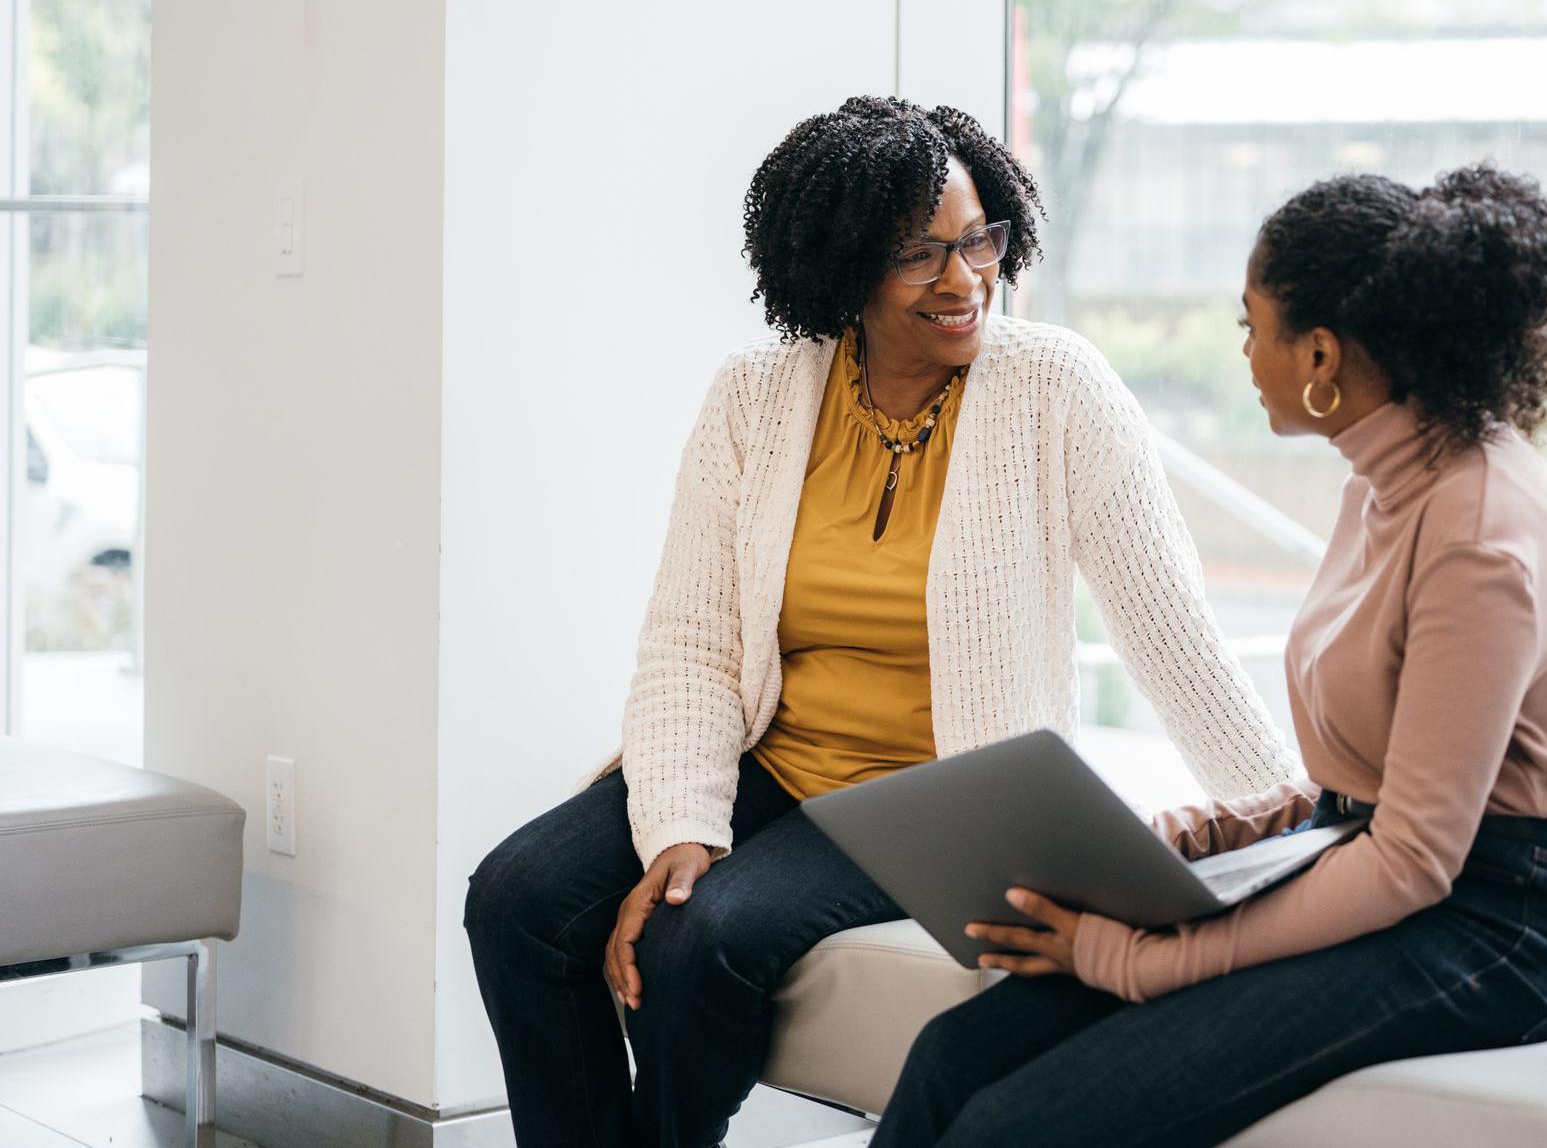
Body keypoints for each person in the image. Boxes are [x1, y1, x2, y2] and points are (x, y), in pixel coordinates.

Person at [461, 96, 1293, 1148]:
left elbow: (1171, 635)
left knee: (699, 937)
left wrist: (1297, 821)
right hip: (776, 761)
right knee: (516, 897)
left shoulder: (1053, 387)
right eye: (921, 255)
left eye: (979, 239)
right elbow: (692, 643)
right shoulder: (754, 400)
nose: (965, 279)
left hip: (939, 793)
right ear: (843, 264)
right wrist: (681, 827)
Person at [870, 165, 1547, 1148]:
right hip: (1375, 855)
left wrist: (1135, 959)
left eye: (1250, 325)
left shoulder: (1478, 531)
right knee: (954, 1058)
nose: (1243, 351)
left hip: (1507, 924)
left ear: (1319, 352)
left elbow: (1412, 861)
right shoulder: (1382, 479)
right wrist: (1188, 842)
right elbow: (1363, 786)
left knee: (1023, 1127)